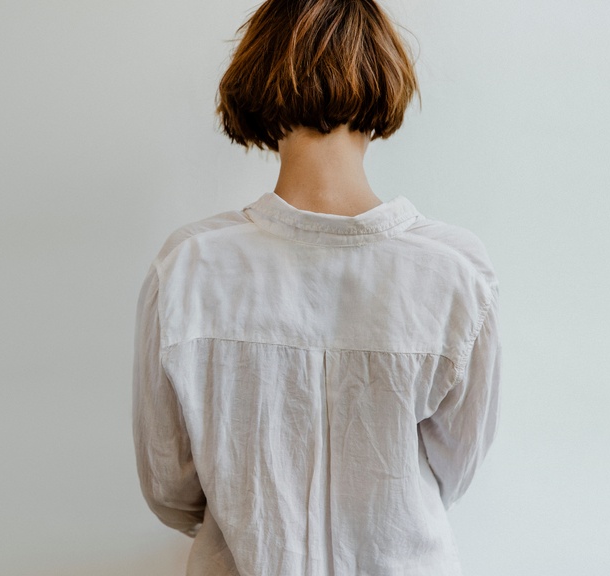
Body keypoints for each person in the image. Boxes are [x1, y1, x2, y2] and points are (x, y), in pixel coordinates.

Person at [132, 1, 502, 574]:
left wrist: (255, 514)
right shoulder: (453, 271)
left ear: (254, 81)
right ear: (385, 77)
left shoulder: (189, 267)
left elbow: (170, 485)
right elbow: (453, 467)